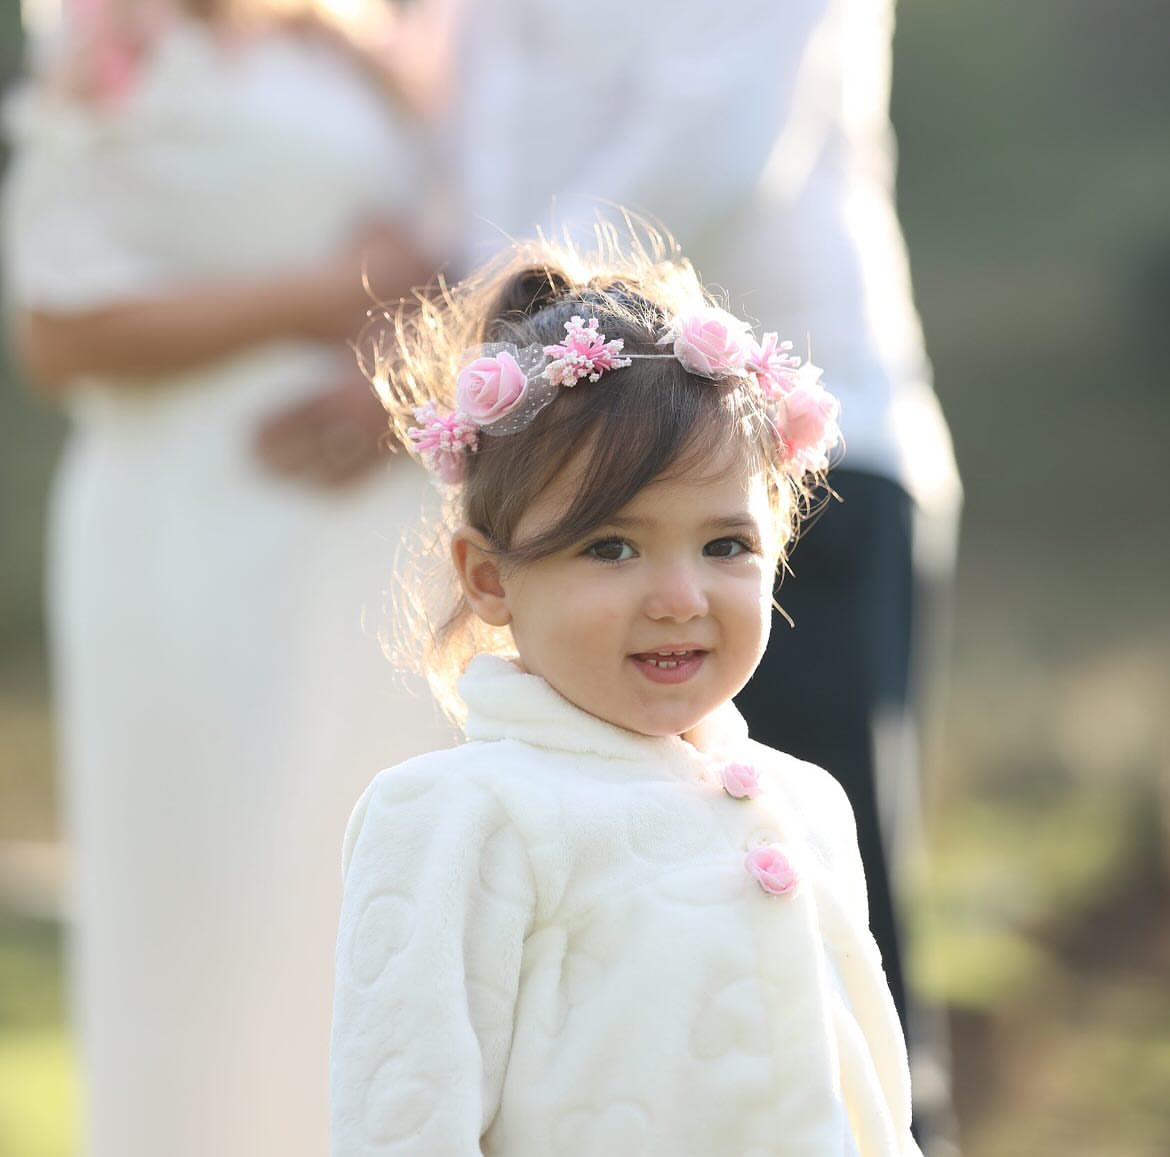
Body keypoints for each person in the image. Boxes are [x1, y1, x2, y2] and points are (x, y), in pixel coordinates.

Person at [441, 3, 963, 1143]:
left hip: (791, 463)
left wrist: (481, 338)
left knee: (827, 897)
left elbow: (716, 145)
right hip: (554, 478)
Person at [331, 235, 921, 1157]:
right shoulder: (463, 815)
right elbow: (403, 1118)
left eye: (726, 545)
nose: (680, 596)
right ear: (488, 578)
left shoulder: (806, 802)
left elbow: (875, 1103)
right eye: (611, 546)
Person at [1, 2, 455, 1154]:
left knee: (363, 879)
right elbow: (58, 329)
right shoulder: (117, 52)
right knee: (199, 894)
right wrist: (330, 291)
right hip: (189, 527)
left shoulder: (348, 47)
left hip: (369, 549)